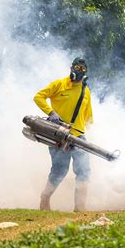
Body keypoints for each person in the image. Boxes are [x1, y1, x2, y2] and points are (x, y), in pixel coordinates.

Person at [33, 57, 93, 211]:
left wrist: (83, 129)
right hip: (58, 135)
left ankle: (80, 208)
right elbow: (38, 97)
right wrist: (51, 112)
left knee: (84, 170)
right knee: (60, 169)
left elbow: (88, 117)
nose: (78, 72)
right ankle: (45, 198)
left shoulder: (86, 91)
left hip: (78, 136)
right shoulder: (59, 84)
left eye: (82, 69)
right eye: (76, 68)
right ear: (71, 68)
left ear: (85, 72)